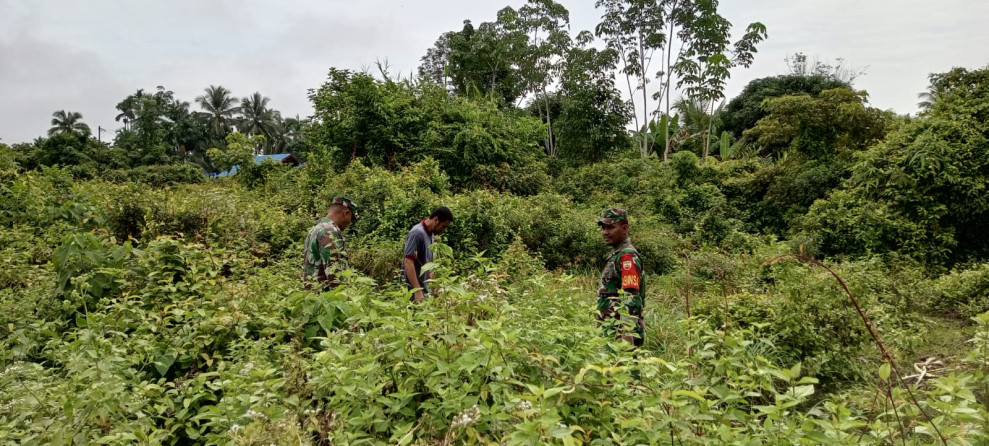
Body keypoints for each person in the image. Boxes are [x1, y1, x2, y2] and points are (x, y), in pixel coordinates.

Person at [596, 208, 646, 347]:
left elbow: (631, 297)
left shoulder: (627, 255)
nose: (605, 232)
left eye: (611, 227)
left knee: (626, 368)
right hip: (611, 328)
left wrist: (627, 334)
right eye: (603, 228)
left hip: (620, 332)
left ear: (624, 228)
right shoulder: (617, 254)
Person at [302, 196, 358, 290]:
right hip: (326, 300)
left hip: (312, 297)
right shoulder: (329, 231)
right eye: (351, 219)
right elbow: (334, 271)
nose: (349, 223)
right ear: (346, 213)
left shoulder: (315, 229)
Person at [403, 206, 453, 303]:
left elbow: (428, 263)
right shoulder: (417, 233)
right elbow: (408, 262)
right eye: (443, 226)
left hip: (424, 290)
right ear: (436, 220)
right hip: (413, 291)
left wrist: (433, 285)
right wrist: (417, 290)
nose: (444, 230)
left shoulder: (431, 235)